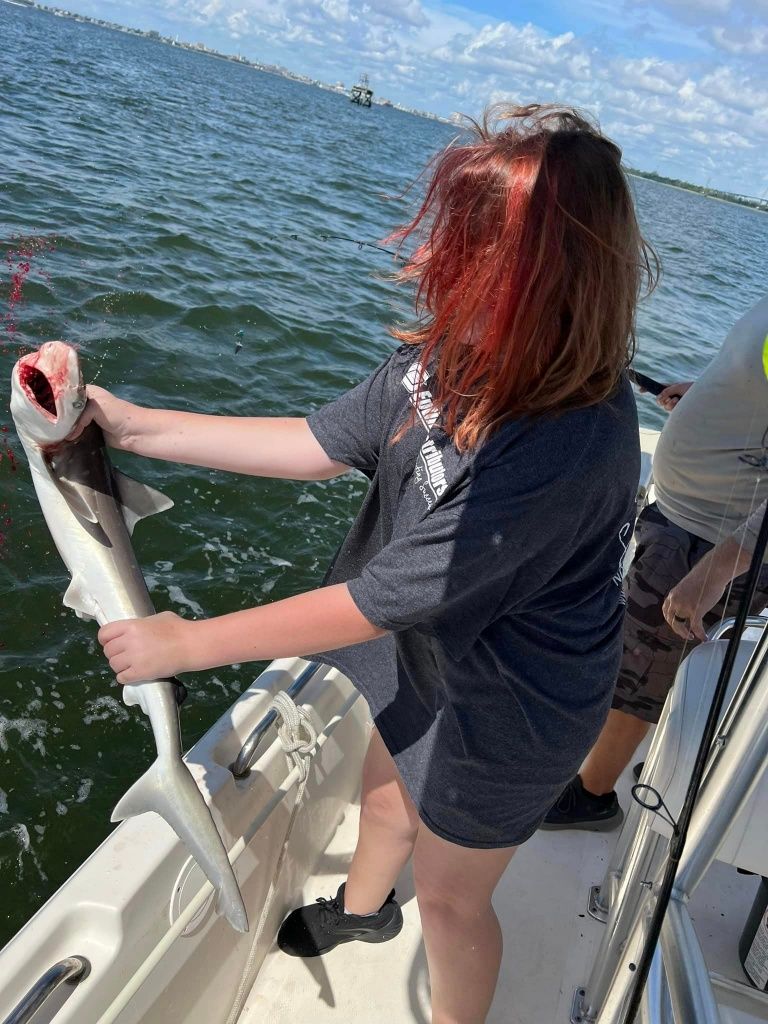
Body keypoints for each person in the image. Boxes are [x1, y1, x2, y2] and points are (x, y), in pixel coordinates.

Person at [78, 105, 655, 1023]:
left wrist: (186, 645)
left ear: (531, 282)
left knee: (456, 896)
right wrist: (133, 425)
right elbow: (317, 441)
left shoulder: (570, 444)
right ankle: (361, 911)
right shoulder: (450, 357)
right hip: (432, 647)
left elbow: (376, 600)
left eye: (456, 250)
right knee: (385, 788)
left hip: (512, 706)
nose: (424, 263)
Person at [543, 292, 768, 831]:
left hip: (707, 543)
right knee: (638, 654)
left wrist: (717, 568)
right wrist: (706, 393)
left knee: (639, 671)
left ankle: (594, 796)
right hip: (682, 520)